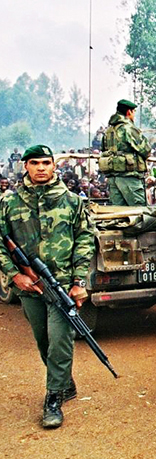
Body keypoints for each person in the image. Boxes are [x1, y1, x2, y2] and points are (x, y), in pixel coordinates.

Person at [0, 145, 95, 428]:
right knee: (43, 340)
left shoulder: (72, 202)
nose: (40, 168)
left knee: (59, 340)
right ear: (25, 166)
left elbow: (85, 241)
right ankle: (65, 382)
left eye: (45, 162)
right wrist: (13, 275)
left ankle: (53, 398)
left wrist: (79, 282)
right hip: (29, 287)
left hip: (62, 285)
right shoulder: (9, 203)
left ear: (54, 166)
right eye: (34, 163)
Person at [99, 99, 151, 206]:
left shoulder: (109, 131)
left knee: (118, 212)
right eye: (134, 111)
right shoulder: (128, 128)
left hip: (113, 177)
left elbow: (104, 150)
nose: (134, 115)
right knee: (139, 210)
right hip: (129, 177)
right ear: (129, 112)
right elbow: (146, 149)